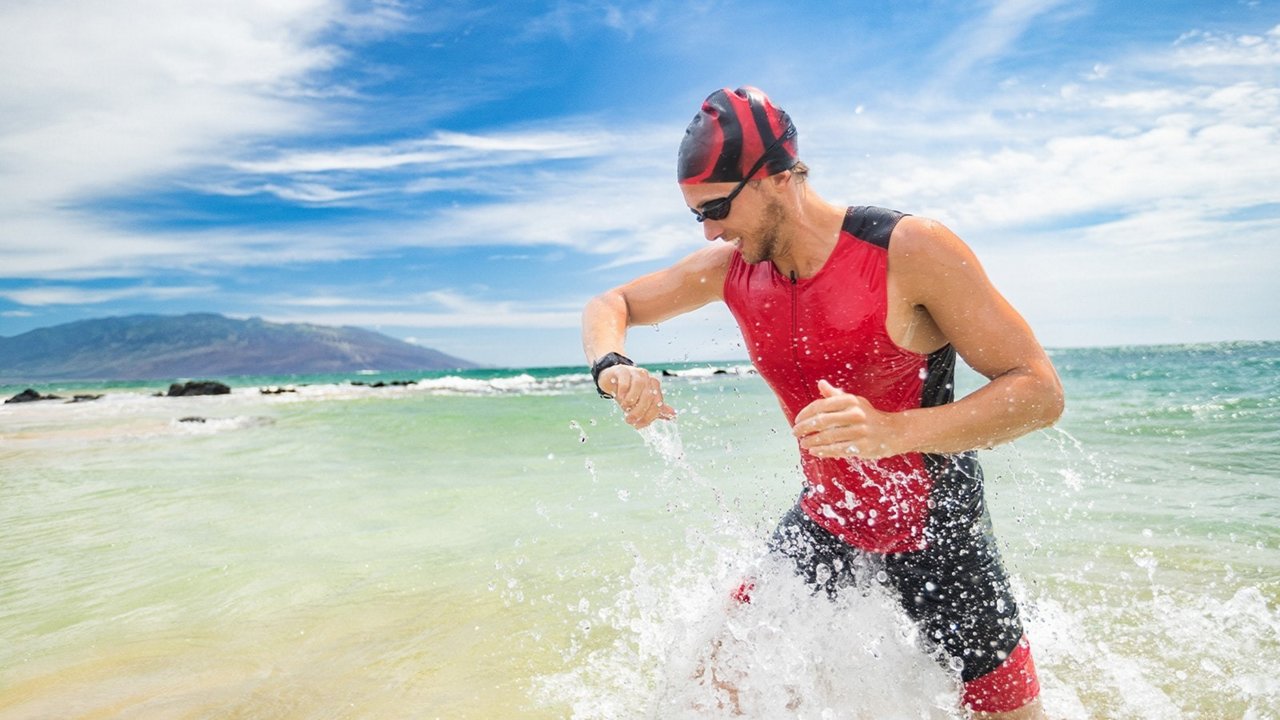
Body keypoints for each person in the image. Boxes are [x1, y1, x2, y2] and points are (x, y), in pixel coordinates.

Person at [580, 86, 1064, 719]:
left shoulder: (907, 250)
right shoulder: (731, 268)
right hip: (828, 519)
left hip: (937, 532)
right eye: (697, 213)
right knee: (712, 684)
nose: (710, 228)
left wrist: (891, 430)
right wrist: (614, 366)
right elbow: (609, 304)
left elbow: (1038, 392)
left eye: (718, 206)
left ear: (777, 178)